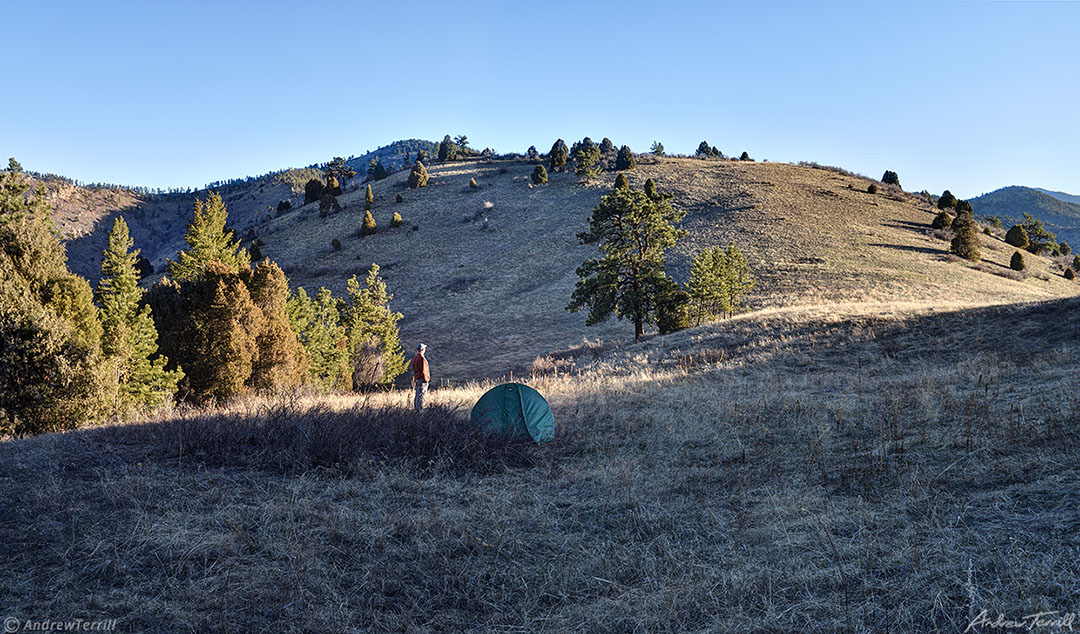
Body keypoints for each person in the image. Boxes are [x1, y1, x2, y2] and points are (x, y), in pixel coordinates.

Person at [412, 343, 430, 412]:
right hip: (422, 380)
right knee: (421, 395)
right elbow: (424, 370)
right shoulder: (421, 358)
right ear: (422, 349)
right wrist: (426, 380)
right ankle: (420, 411)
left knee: (417, 395)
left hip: (417, 379)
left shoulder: (416, 357)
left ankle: (416, 409)